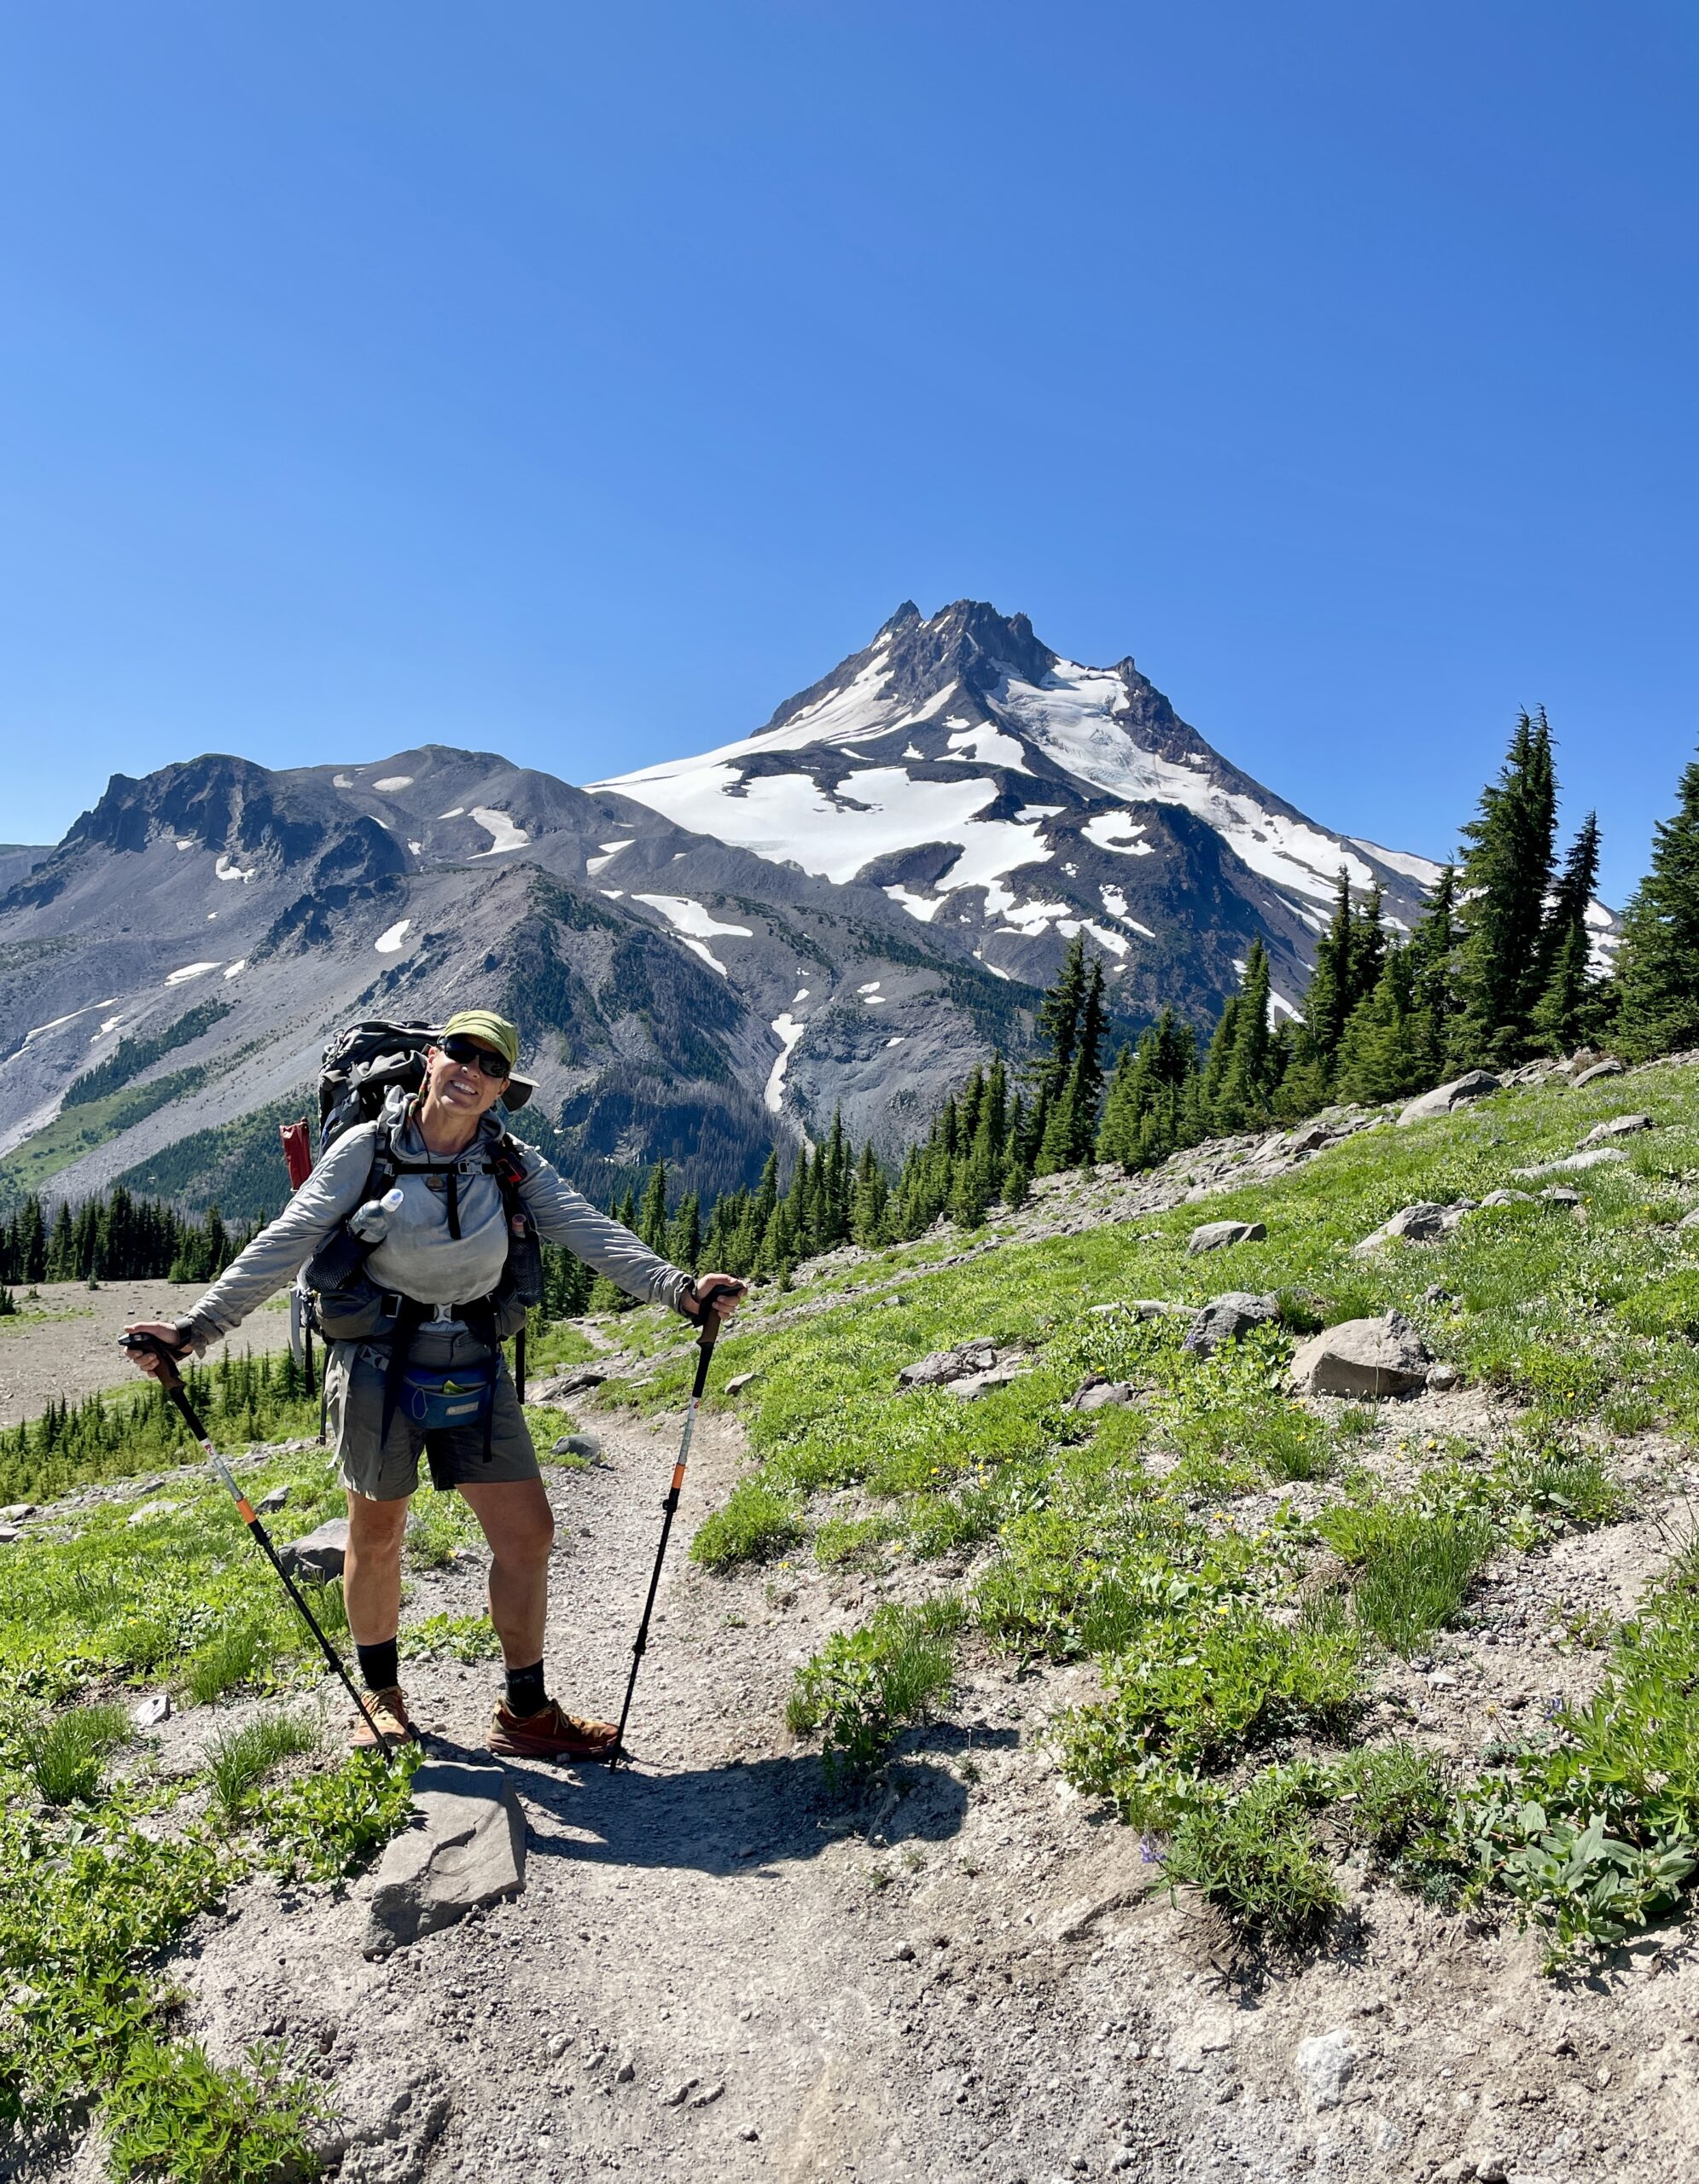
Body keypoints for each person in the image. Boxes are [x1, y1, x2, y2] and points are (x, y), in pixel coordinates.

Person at [124, 1008, 744, 1760]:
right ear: (430, 1058)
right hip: (376, 1358)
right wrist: (194, 1330)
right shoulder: (366, 1150)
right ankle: (382, 1702)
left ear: (503, 1088)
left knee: (528, 1534)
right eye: (460, 1053)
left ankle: (524, 1711)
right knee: (377, 1533)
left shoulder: (511, 1162)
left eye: (490, 1066)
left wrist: (678, 1290)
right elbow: (286, 1239)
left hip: (474, 1355)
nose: (471, 1072)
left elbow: (588, 1230)